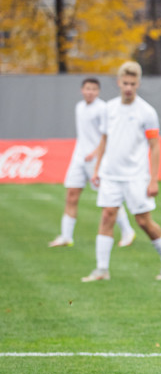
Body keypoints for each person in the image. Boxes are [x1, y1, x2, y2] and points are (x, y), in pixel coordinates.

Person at [82, 61, 161, 282]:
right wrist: (97, 169)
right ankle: (101, 269)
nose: (128, 87)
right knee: (107, 216)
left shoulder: (147, 112)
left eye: (132, 83)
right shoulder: (109, 109)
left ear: (138, 84)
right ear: (118, 83)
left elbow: (154, 147)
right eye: (125, 83)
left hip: (136, 176)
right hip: (110, 175)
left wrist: (153, 180)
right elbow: (104, 139)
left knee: (143, 221)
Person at [48, 78, 136, 248]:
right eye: (87, 88)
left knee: (109, 197)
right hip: (78, 157)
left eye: (94, 89)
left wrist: (95, 153)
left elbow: (107, 135)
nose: (90, 92)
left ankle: (127, 231)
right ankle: (66, 236)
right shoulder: (79, 107)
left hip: (96, 160)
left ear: (98, 92)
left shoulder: (102, 108)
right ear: (82, 90)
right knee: (71, 194)